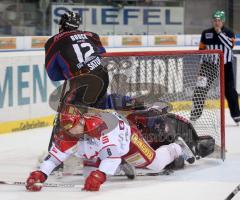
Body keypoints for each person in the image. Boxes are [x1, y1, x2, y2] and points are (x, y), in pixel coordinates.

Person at [25, 105, 195, 192]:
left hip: (127, 139)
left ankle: (177, 147)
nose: (69, 131)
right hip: (105, 147)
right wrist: (41, 174)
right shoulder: (70, 132)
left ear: (81, 121)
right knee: (88, 168)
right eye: (66, 127)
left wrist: (101, 175)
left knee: (156, 164)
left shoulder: (100, 128)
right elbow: (54, 158)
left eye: (72, 126)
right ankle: (121, 166)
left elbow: (112, 155)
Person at [45, 11, 109, 150]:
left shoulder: (52, 41)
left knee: (67, 116)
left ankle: (62, 156)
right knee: (96, 112)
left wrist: (70, 71)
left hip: (82, 81)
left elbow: (53, 75)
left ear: (62, 24)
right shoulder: (92, 35)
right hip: (103, 76)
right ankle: (103, 148)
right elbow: (101, 54)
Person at [190, 10, 240, 124]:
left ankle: (237, 116)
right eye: (215, 20)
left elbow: (230, 46)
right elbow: (201, 50)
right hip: (208, 65)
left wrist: (219, 33)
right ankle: (194, 116)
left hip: (225, 65)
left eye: (219, 20)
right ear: (212, 21)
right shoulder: (206, 33)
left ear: (223, 21)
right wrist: (200, 67)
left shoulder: (229, 32)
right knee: (200, 89)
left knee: (230, 91)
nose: (217, 23)